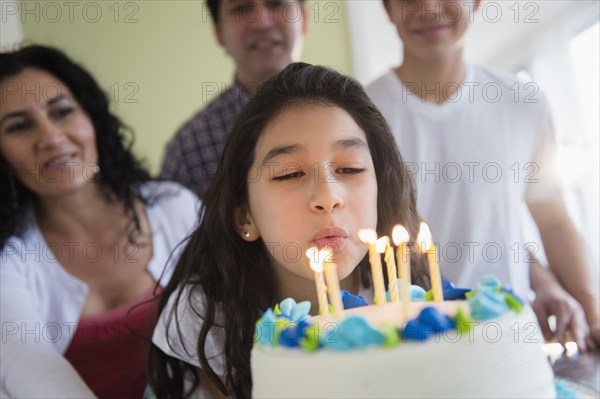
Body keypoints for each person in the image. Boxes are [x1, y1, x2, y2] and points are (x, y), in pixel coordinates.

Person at [148, 63, 430, 398]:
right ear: (245, 218)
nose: (327, 198)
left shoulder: (405, 288)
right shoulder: (210, 314)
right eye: (289, 174)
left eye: (349, 168)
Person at [365, 0, 599, 350]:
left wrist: (591, 317)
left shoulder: (523, 102)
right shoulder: (363, 114)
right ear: (387, 8)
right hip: (408, 345)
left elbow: (553, 222)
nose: (428, 9)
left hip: (511, 338)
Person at [0, 45, 199, 398]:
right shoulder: (9, 263)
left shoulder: (176, 207)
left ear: (92, 118)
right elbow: (26, 366)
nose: (51, 137)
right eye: (19, 126)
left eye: (61, 112)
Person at [160, 0, 309, 199]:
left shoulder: (358, 116)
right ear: (219, 33)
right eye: (241, 9)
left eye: (276, 3)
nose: (261, 22)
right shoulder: (188, 152)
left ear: (304, 19)